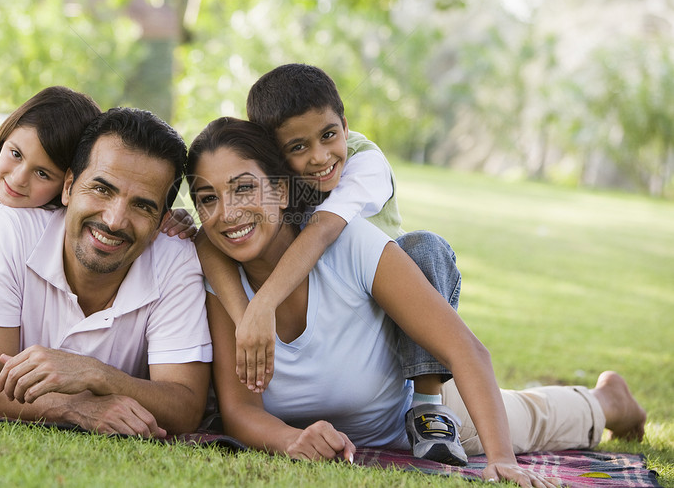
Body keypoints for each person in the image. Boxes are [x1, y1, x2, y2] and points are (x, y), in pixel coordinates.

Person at [187, 118, 646, 486]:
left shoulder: (351, 245)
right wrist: (292, 439)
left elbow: (464, 349)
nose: (226, 213)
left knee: (530, 418)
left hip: (415, 417)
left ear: (282, 190)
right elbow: (242, 411)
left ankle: (608, 400)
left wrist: (502, 459)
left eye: (244, 188)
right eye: (208, 199)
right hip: (333, 429)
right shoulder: (220, 281)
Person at [195, 63, 466, 463]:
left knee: (425, 247)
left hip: (395, 319)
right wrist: (245, 315)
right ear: (276, 152)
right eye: (298, 146)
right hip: (344, 326)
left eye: (328, 135)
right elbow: (207, 237)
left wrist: (261, 307)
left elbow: (321, 232)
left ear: (344, 124)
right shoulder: (278, 181)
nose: (320, 157)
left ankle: (428, 403)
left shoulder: (364, 164)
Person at [0, 87, 195, 408]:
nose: (19, 179)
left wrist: (174, 220)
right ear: (70, 186)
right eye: (16, 154)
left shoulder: (74, 216)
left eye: (42, 172)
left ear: (64, 179)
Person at [0, 107, 212, 436]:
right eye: (102, 190)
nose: (114, 220)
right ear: (69, 187)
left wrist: (97, 375)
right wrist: (76, 407)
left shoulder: (176, 260)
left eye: (142, 205)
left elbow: (186, 407)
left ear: (162, 221)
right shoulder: (9, 228)